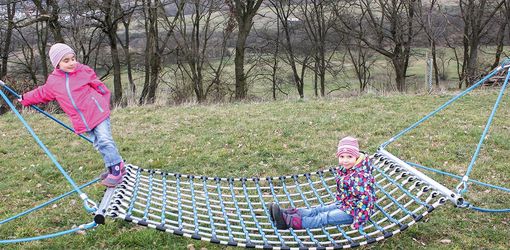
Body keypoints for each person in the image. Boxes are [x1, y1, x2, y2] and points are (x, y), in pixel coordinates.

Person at [18, 43, 125, 187]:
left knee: (105, 140)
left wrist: (104, 103)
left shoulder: (83, 71)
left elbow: (99, 86)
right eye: (66, 60)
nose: (72, 63)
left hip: (97, 112)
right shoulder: (54, 82)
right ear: (57, 64)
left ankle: (116, 171)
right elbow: (42, 93)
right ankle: (115, 166)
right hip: (83, 120)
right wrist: (25, 98)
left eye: (73, 58)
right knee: (99, 144)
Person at [269, 136, 376, 230]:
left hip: (355, 212)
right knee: (318, 210)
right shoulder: (349, 168)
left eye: (349, 157)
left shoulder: (361, 177)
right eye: (342, 157)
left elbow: (366, 200)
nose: (345, 160)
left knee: (324, 217)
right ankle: (286, 214)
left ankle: (290, 222)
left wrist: (359, 222)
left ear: (356, 157)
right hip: (345, 204)